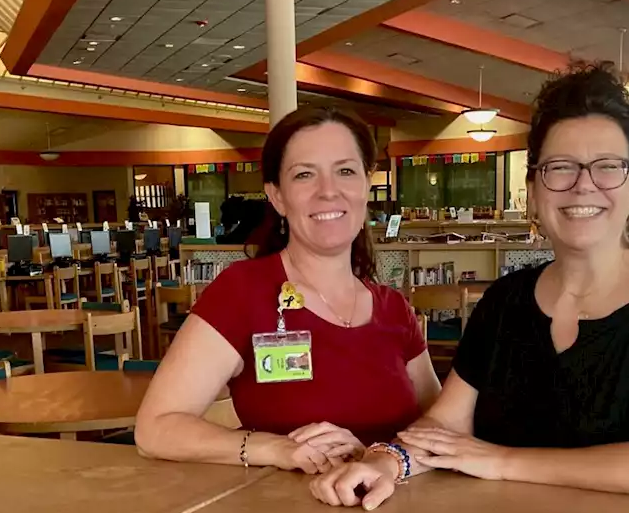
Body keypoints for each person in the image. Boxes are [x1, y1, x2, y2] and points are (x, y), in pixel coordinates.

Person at [312, 63, 629, 509]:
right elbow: (445, 427)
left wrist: (502, 461)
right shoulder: (505, 302)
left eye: (607, 167)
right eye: (560, 168)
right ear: (534, 186)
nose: (582, 186)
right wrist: (386, 462)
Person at [135, 105, 440, 473]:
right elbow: (156, 428)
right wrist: (277, 449)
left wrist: (378, 458)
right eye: (305, 175)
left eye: (345, 171)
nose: (328, 192)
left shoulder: (394, 309)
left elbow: (438, 428)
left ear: (365, 184)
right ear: (277, 197)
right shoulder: (242, 292)